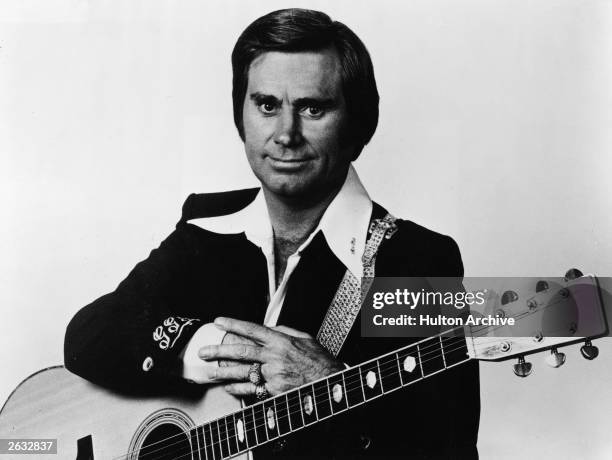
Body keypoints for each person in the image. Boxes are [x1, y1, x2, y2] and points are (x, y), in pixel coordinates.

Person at [64, 8, 480, 459]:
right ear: (240, 118)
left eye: (313, 108)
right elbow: (89, 336)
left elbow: (449, 449)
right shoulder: (206, 225)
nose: (286, 134)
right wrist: (216, 349)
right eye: (267, 105)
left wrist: (332, 388)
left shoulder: (418, 263)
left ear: (358, 125)